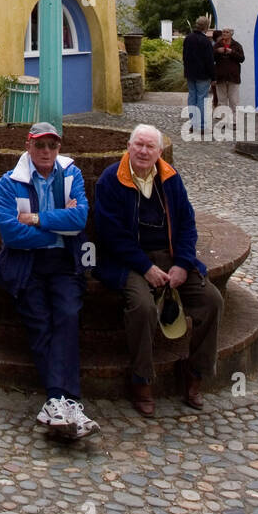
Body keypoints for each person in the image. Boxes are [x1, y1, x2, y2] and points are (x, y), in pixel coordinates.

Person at [94, 124, 223, 418]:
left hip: (171, 258)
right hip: (128, 262)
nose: (142, 151)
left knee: (211, 301)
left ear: (159, 152)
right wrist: (145, 267)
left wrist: (182, 263)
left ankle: (195, 373)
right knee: (142, 307)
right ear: (128, 146)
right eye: (138, 144)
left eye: (149, 147)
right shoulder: (111, 180)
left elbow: (188, 225)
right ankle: (141, 380)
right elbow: (110, 235)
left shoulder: (170, 178)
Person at [0, 122, 100, 439]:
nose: (46, 152)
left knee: (67, 315)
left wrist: (38, 219)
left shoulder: (71, 175)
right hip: (26, 263)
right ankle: (63, 401)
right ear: (28, 146)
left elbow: (79, 219)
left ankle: (60, 403)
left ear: (59, 148)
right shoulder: (10, 182)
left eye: (52, 146)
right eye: (40, 145)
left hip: (64, 262)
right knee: (40, 321)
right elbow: (11, 233)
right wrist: (58, 224)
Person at [182, 16, 215, 138]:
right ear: (206, 27)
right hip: (203, 74)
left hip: (191, 73)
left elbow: (185, 57)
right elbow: (209, 61)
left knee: (192, 97)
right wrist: (213, 76)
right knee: (201, 98)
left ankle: (193, 124)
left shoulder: (188, 38)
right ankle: (201, 126)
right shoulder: (205, 41)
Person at [213, 28, 244, 120]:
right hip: (220, 76)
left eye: (227, 32)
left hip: (233, 77)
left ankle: (234, 121)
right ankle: (224, 120)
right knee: (222, 101)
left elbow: (242, 58)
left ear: (231, 34)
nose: (224, 34)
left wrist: (232, 52)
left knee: (234, 100)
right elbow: (211, 57)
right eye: (223, 32)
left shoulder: (237, 45)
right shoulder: (217, 45)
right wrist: (218, 52)